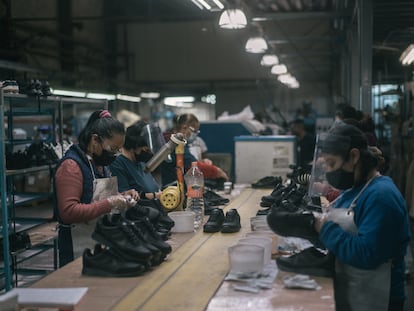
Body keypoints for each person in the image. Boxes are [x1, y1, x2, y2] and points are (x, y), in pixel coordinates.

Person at [312, 123, 410, 311]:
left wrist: (323, 228)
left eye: (332, 164)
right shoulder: (355, 189)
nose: (330, 172)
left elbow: (368, 254)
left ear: (354, 156)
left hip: (378, 298)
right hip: (357, 290)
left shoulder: (381, 196)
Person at [54, 109, 139, 267]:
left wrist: (122, 195)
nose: (115, 154)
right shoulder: (71, 166)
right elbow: (68, 212)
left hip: (98, 242)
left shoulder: (99, 163)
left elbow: (96, 197)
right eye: (113, 149)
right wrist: (109, 203)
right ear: (95, 140)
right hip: (77, 248)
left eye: (118, 150)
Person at [161, 113, 229, 186]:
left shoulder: (176, 141)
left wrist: (202, 162)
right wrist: (217, 171)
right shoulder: (174, 142)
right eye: (194, 131)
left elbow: (186, 162)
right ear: (184, 128)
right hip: (172, 187)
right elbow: (192, 166)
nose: (195, 135)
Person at [109, 120, 162, 199]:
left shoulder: (141, 163)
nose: (148, 154)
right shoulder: (117, 164)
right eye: (146, 150)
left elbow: (153, 188)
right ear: (134, 146)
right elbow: (124, 197)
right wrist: (155, 195)